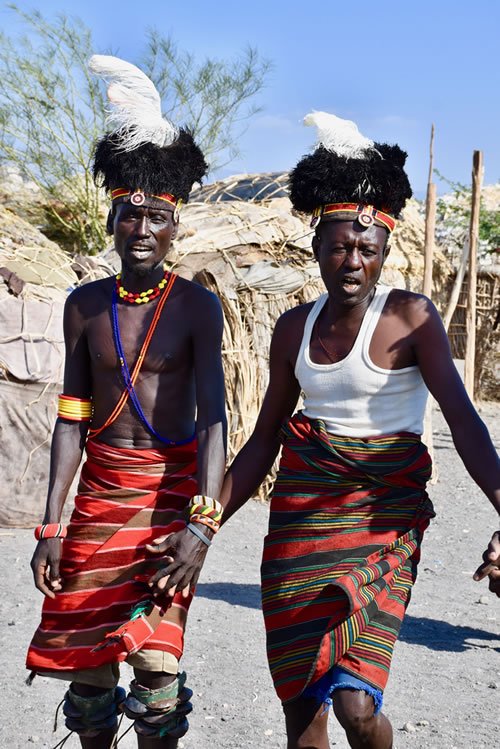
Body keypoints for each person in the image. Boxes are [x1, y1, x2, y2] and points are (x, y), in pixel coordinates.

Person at [149, 112, 500, 749]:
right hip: (299, 523)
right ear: (316, 246)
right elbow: (262, 440)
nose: (352, 260)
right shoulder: (293, 328)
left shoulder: (410, 317)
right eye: (339, 245)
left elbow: (466, 424)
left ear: (385, 252)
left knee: (356, 703)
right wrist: (205, 523)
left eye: (367, 249)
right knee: (301, 703)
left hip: (381, 523)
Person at [26, 55, 227, 749]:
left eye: (157, 216)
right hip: (99, 498)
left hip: (169, 505)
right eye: (128, 212)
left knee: (157, 672)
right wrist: (50, 525)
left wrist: (203, 524)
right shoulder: (85, 307)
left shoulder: (199, 308)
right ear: (111, 217)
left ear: (177, 225)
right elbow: (71, 415)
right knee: (87, 674)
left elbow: (215, 420)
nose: (141, 227)